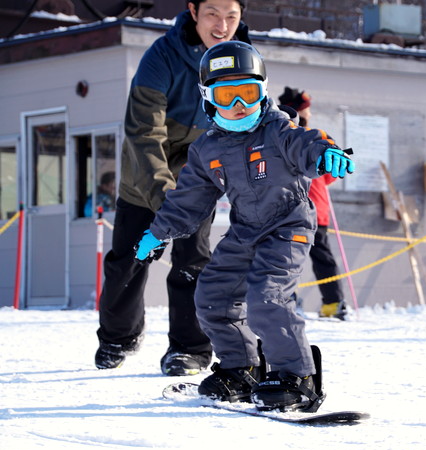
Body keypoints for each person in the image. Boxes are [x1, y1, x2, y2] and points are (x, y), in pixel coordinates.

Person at [134, 41, 355, 411]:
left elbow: (308, 143)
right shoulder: (207, 149)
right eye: (227, 95)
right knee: (212, 295)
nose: (238, 106)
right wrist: (158, 232)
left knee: (266, 297)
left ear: (263, 92)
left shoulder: (278, 131)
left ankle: (296, 377)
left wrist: (326, 153)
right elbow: (188, 200)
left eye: (248, 94)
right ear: (208, 98)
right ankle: (241, 369)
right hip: (244, 230)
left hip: (288, 225)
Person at [94, 0, 251, 376]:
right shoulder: (161, 57)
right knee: (130, 259)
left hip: (198, 179)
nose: (222, 25)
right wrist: (166, 197)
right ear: (193, 11)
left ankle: (190, 348)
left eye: (232, 16)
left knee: (192, 261)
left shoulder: (243, 59)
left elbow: (254, 119)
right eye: (213, 13)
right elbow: (144, 133)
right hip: (145, 176)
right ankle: (118, 336)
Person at [278, 87, 348, 320]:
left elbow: (331, 174)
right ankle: (327, 302)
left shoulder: (303, 136)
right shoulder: (308, 136)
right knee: (306, 258)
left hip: (308, 209)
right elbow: (330, 176)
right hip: (301, 209)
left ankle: (329, 303)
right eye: (306, 111)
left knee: (292, 257)